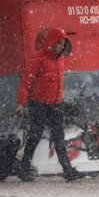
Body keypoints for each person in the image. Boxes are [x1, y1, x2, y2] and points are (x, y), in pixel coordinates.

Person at [15, 27, 85, 183]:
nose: (61, 46)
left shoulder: (60, 59)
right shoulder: (39, 58)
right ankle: (24, 168)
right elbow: (26, 81)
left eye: (63, 43)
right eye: (59, 43)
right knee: (35, 135)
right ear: (52, 43)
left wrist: (59, 97)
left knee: (59, 138)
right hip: (38, 103)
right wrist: (21, 102)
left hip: (54, 104)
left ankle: (68, 171)